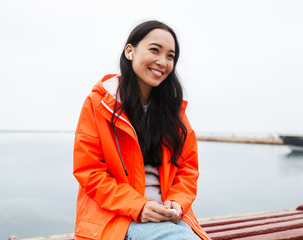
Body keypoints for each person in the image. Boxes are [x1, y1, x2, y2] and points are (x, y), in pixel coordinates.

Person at [73, 20, 210, 240]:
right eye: (155, 50)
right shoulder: (99, 104)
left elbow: (187, 169)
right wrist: (138, 206)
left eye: (170, 56)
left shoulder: (174, 112)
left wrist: (178, 201)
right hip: (116, 218)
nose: (163, 62)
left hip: (168, 217)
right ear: (130, 51)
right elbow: (90, 173)